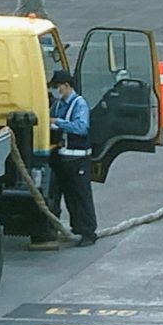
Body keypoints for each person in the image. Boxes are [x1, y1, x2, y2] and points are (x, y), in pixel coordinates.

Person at [46, 69, 99, 244]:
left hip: (77, 158)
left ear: (66, 86)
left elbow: (81, 127)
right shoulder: (59, 104)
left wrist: (59, 123)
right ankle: (77, 228)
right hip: (62, 158)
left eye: (58, 86)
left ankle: (88, 233)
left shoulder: (79, 104)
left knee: (80, 196)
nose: (56, 90)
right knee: (68, 196)